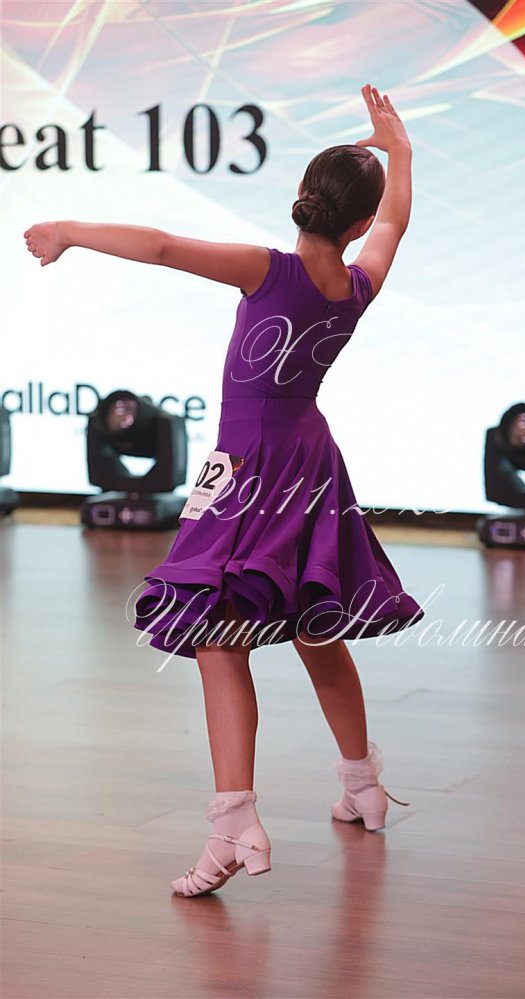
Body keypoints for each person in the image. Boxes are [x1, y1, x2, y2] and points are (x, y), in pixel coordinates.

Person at [24, 83, 425, 897]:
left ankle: (235, 820)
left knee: (216, 634)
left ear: (303, 197)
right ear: (351, 226)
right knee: (316, 626)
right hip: (311, 462)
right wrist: (402, 152)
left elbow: (162, 245)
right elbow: (395, 224)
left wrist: (67, 230)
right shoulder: (358, 284)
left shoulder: (267, 270)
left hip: (246, 469)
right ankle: (363, 785)